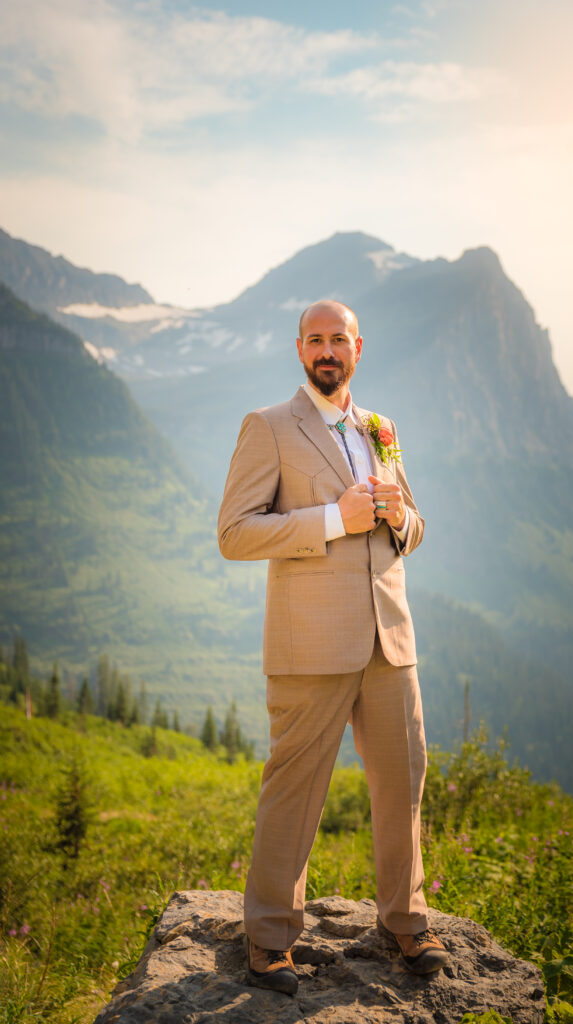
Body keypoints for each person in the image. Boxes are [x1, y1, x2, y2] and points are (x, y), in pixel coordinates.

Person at [217, 299, 447, 995]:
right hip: (310, 645)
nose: (327, 350)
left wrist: (399, 514)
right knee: (293, 792)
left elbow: (414, 526)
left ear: (357, 348)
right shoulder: (269, 428)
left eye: (338, 339)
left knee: (403, 783)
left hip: (389, 641)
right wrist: (333, 519)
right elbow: (235, 533)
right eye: (314, 340)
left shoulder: (380, 429)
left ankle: (405, 920)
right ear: (298, 351)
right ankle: (268, 938)